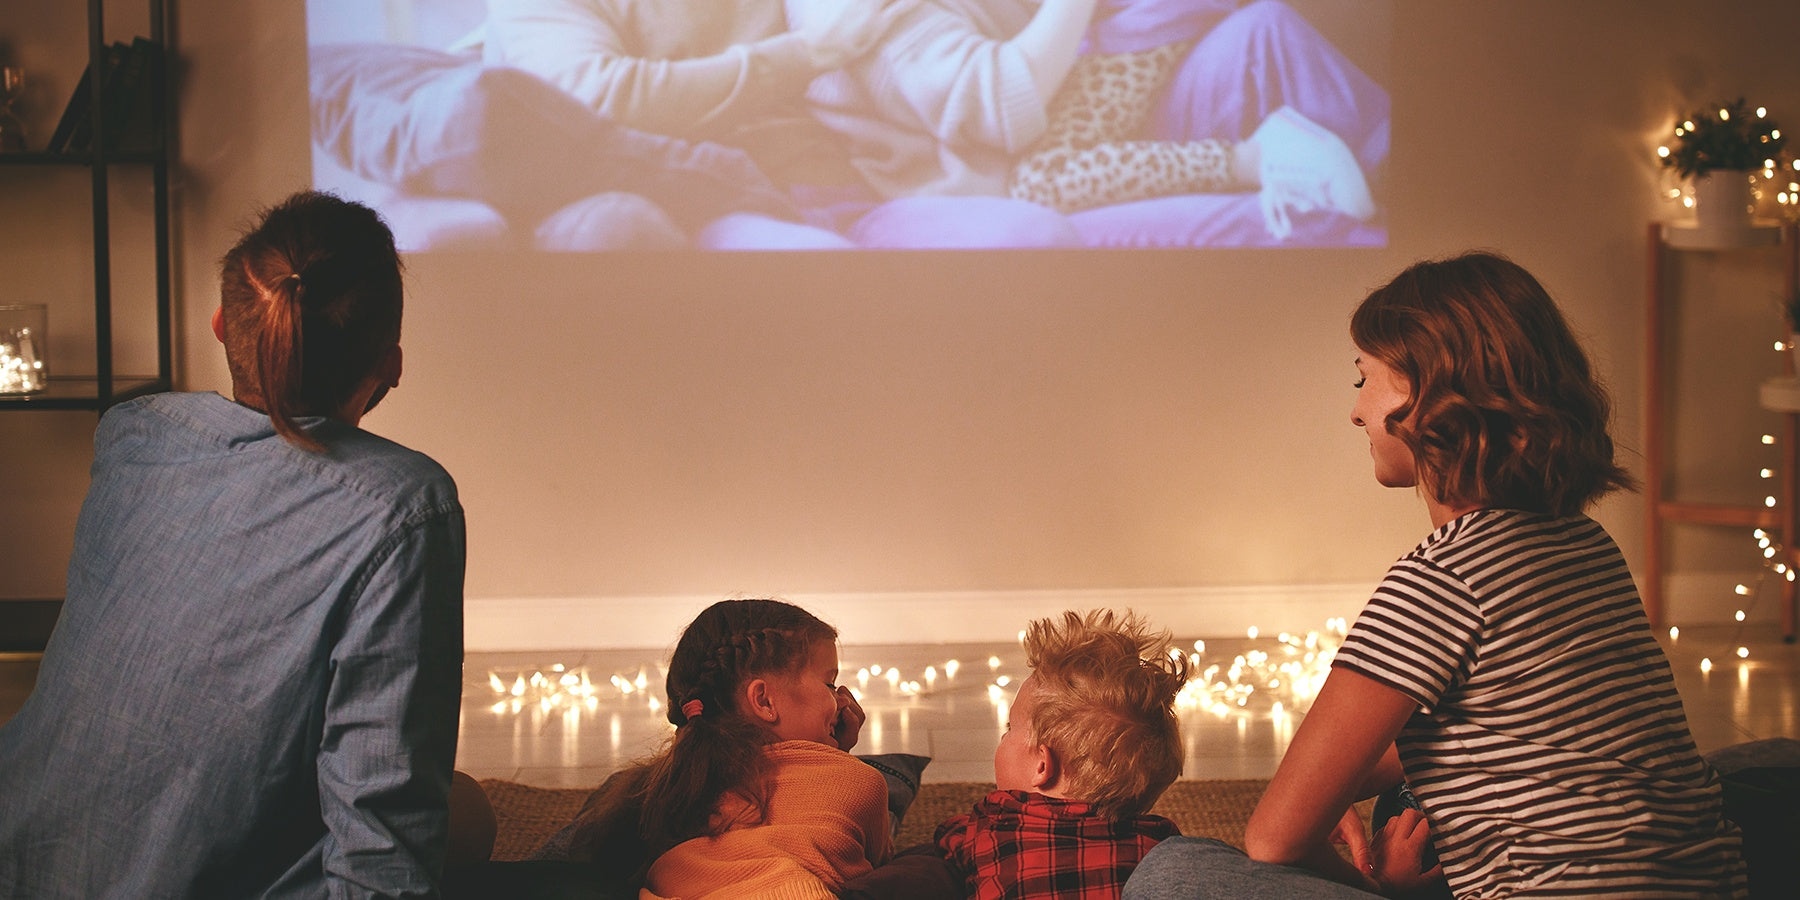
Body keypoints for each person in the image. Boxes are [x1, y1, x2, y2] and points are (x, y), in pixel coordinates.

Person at [1123, 252, 1750, 898]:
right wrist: (1340, 779)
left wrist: (1379, 886)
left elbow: (1274, 839)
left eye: (1362, 379)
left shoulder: (1440, 581)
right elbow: (1509, 734)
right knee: (1758, 767)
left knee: (1178, 870)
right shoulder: (1587, 545)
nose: (1356, 411)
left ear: (1423, 396)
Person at [0, 191, 467, 897]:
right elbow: (384, 844)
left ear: (221, 324)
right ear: (391, 363)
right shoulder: (404, 506)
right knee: (471, 816)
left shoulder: (132, 432)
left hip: (27, 861)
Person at [791, 0, 1388, 244]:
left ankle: (1412, 208)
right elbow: (1000, 106)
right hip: (1000, 180)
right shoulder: (848, 11)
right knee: (1298, 224)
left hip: (1082, 107)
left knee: (1267, 31)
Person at [546, 597, 892, 898]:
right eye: (830, 684)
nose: (843, 699)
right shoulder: (860, 782)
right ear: (764, 700)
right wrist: (838, 758)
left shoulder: (665, 785)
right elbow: (878, 865)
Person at [932, 608, 1189, 899]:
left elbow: (945, 838)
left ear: (1042, 765)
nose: (1003, 737)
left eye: (1010, 728)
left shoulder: (994, 828)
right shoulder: (1161, 843)